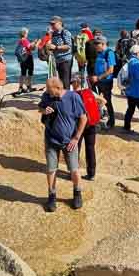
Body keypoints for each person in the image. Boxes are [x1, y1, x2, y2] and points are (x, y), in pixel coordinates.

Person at [38, 77, 88, 212]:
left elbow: (83, 118)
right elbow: (40, 108)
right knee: (51, 169)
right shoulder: (47, 96)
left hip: (69, 141)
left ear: (58, 88)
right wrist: (44, 110)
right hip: (51, 139)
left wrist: (76, 138)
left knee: (74, 169)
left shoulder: (73, 98)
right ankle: (52, 196)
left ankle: (77, 193)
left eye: (49, 90)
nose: (47, 92)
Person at [71, 74, 102, 181]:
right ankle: (91, 174)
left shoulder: (72, 95)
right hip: (92, 124)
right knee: (90, 148)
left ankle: (74, 173)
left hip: (79, 125)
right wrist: (98, 110)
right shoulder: (89, 92)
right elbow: (103, 101)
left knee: (75, 149)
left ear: (75, 83)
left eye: (72, 82)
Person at [90, 35, 116, 129]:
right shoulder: (98, 53)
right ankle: (97, 119)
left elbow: (110, 70)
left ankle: (111, 121)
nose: (95, 46)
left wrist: (98, 78)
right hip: (98, 81)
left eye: (97, 44)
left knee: (107, 101)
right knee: (95, 100)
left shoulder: (109, 53)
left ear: (103, 43)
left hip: (106, 81)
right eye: (95, 43)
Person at [46, 16, 74, 89]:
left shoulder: (65, 32)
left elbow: (68, 46)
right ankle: (62, 97)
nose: (52, 26)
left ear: (60, 23)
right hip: (58, 60)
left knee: (65, 81)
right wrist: (50, 49)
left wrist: (55, 47)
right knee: (61, 81)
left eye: (53, 24)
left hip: (66, 60)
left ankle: (66, 97)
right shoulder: (54, 33)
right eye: (51, 24)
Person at [15, 28, 37, 94]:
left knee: (23, 72)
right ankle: (29, 86)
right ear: (24, 34)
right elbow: (30, 47)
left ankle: (21, 87)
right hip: (28, 57)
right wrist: (35, 42)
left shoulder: (20, 41)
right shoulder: (25, 40)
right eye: (27, 33)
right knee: (30, 72)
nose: (27, 34)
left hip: (22, 58)